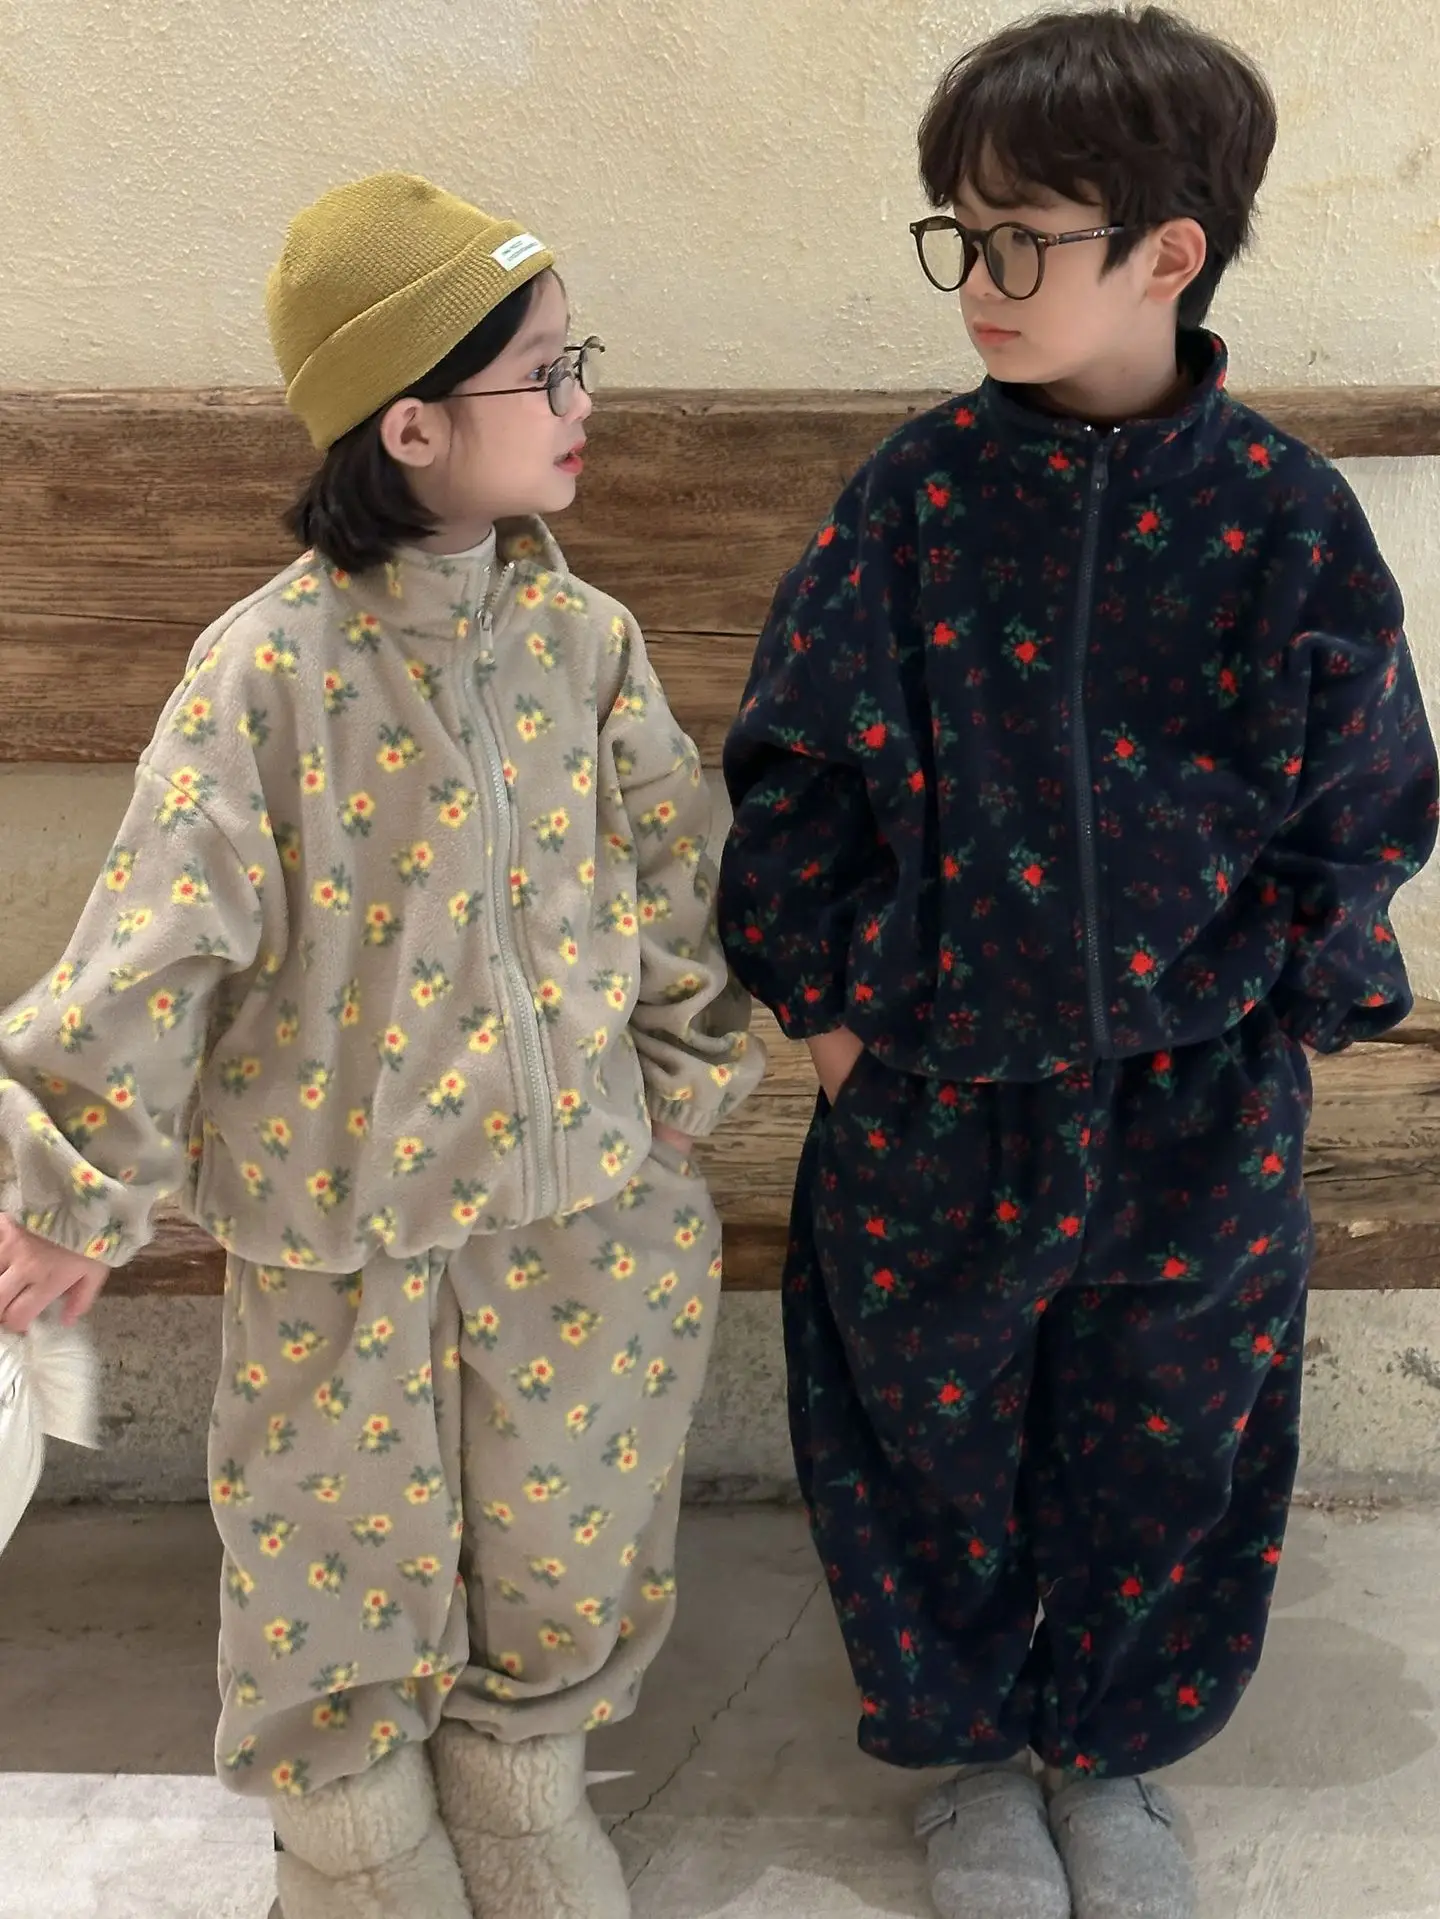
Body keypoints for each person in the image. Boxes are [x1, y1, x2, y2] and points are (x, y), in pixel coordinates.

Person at [717, 11, 1436, 1918]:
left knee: (1174, 1443)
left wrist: (1293, 1020)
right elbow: (793, 770)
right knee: (919, 1435)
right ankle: (965, 1762)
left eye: (1022, 238)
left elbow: (1367, 793)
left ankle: (1110, 1760)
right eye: (959, 234)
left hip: (1197, 1107)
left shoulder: (1283, 516)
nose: (978, 276)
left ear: (1168, 252)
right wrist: (832, 1020)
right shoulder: (916, 498)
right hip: (933, 1095)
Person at [0, 170, 762, 1919]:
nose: (580, 400)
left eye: (575, 362)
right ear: (410, 425)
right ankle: (348, 1842)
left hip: (585, 1211)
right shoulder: (263, 675)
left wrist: (672, 1095)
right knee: (326, 1552)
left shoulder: (586, 644)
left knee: (575, 1522)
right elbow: (156, 937)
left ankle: (520, 1788)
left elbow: (671, 878)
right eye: (542, 374)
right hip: (334, 1225)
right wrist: (67, 1180)